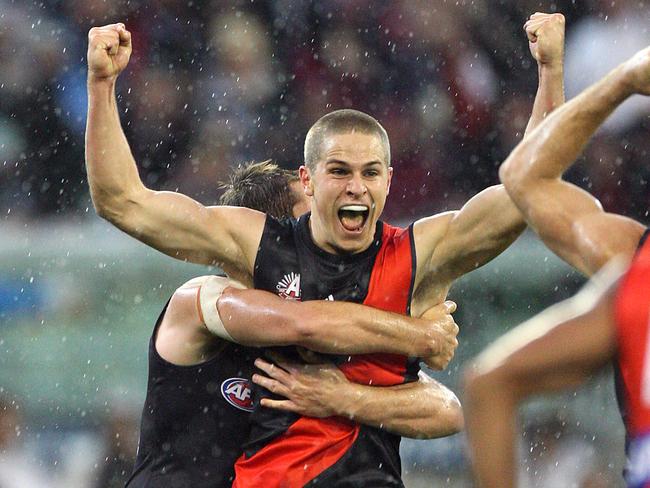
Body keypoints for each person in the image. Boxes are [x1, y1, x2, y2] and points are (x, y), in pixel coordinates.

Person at [85, 12, 564, 486]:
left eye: (371, 173)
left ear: (389, 181)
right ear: (309, 182)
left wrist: (550, 72)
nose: (356, 187)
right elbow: (124, 202)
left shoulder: (419, 254)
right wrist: (102, 84)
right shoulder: (245, 260)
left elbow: (527, 193)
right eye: (339, 172)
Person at [126, 161, 463, 488]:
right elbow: (304, 323)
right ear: (273, 238)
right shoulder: (202, 298)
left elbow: (445, 410)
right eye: (312, 218)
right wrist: (420, 335)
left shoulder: (324, 332)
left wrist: (349, 397)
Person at [463, 45, 650, 487]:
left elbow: (487, 387)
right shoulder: (635, 266)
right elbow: (525, 178)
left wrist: (622, 82)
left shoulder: (636, 273)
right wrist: (621, 79)